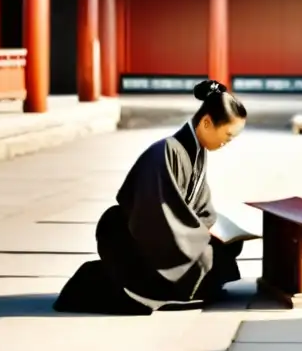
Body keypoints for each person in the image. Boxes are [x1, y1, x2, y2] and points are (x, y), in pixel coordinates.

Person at [54, 79, 248, 315]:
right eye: (227, 135)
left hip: (173, 233)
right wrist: (199, 235)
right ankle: (154, 289)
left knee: (226, 250)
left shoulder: (195, 151)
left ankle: (189, 285)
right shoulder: (167, 151)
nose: (227, 142)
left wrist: (210, 228)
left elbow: (200, 205)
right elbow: (156, 215)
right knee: (205, 256)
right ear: (207, 123)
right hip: (130, 238)